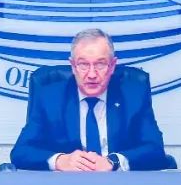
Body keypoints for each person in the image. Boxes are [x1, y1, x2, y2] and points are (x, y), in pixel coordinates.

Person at [9, 28, 170, 171]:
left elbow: (155, 149)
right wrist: (60, 161)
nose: (92, 74)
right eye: (83, 65)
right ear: (73, 66)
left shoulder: (133, 92)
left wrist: (113, 162)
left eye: (100, 64)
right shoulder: (50, 95)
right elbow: (21, 151)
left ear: (112, 66)